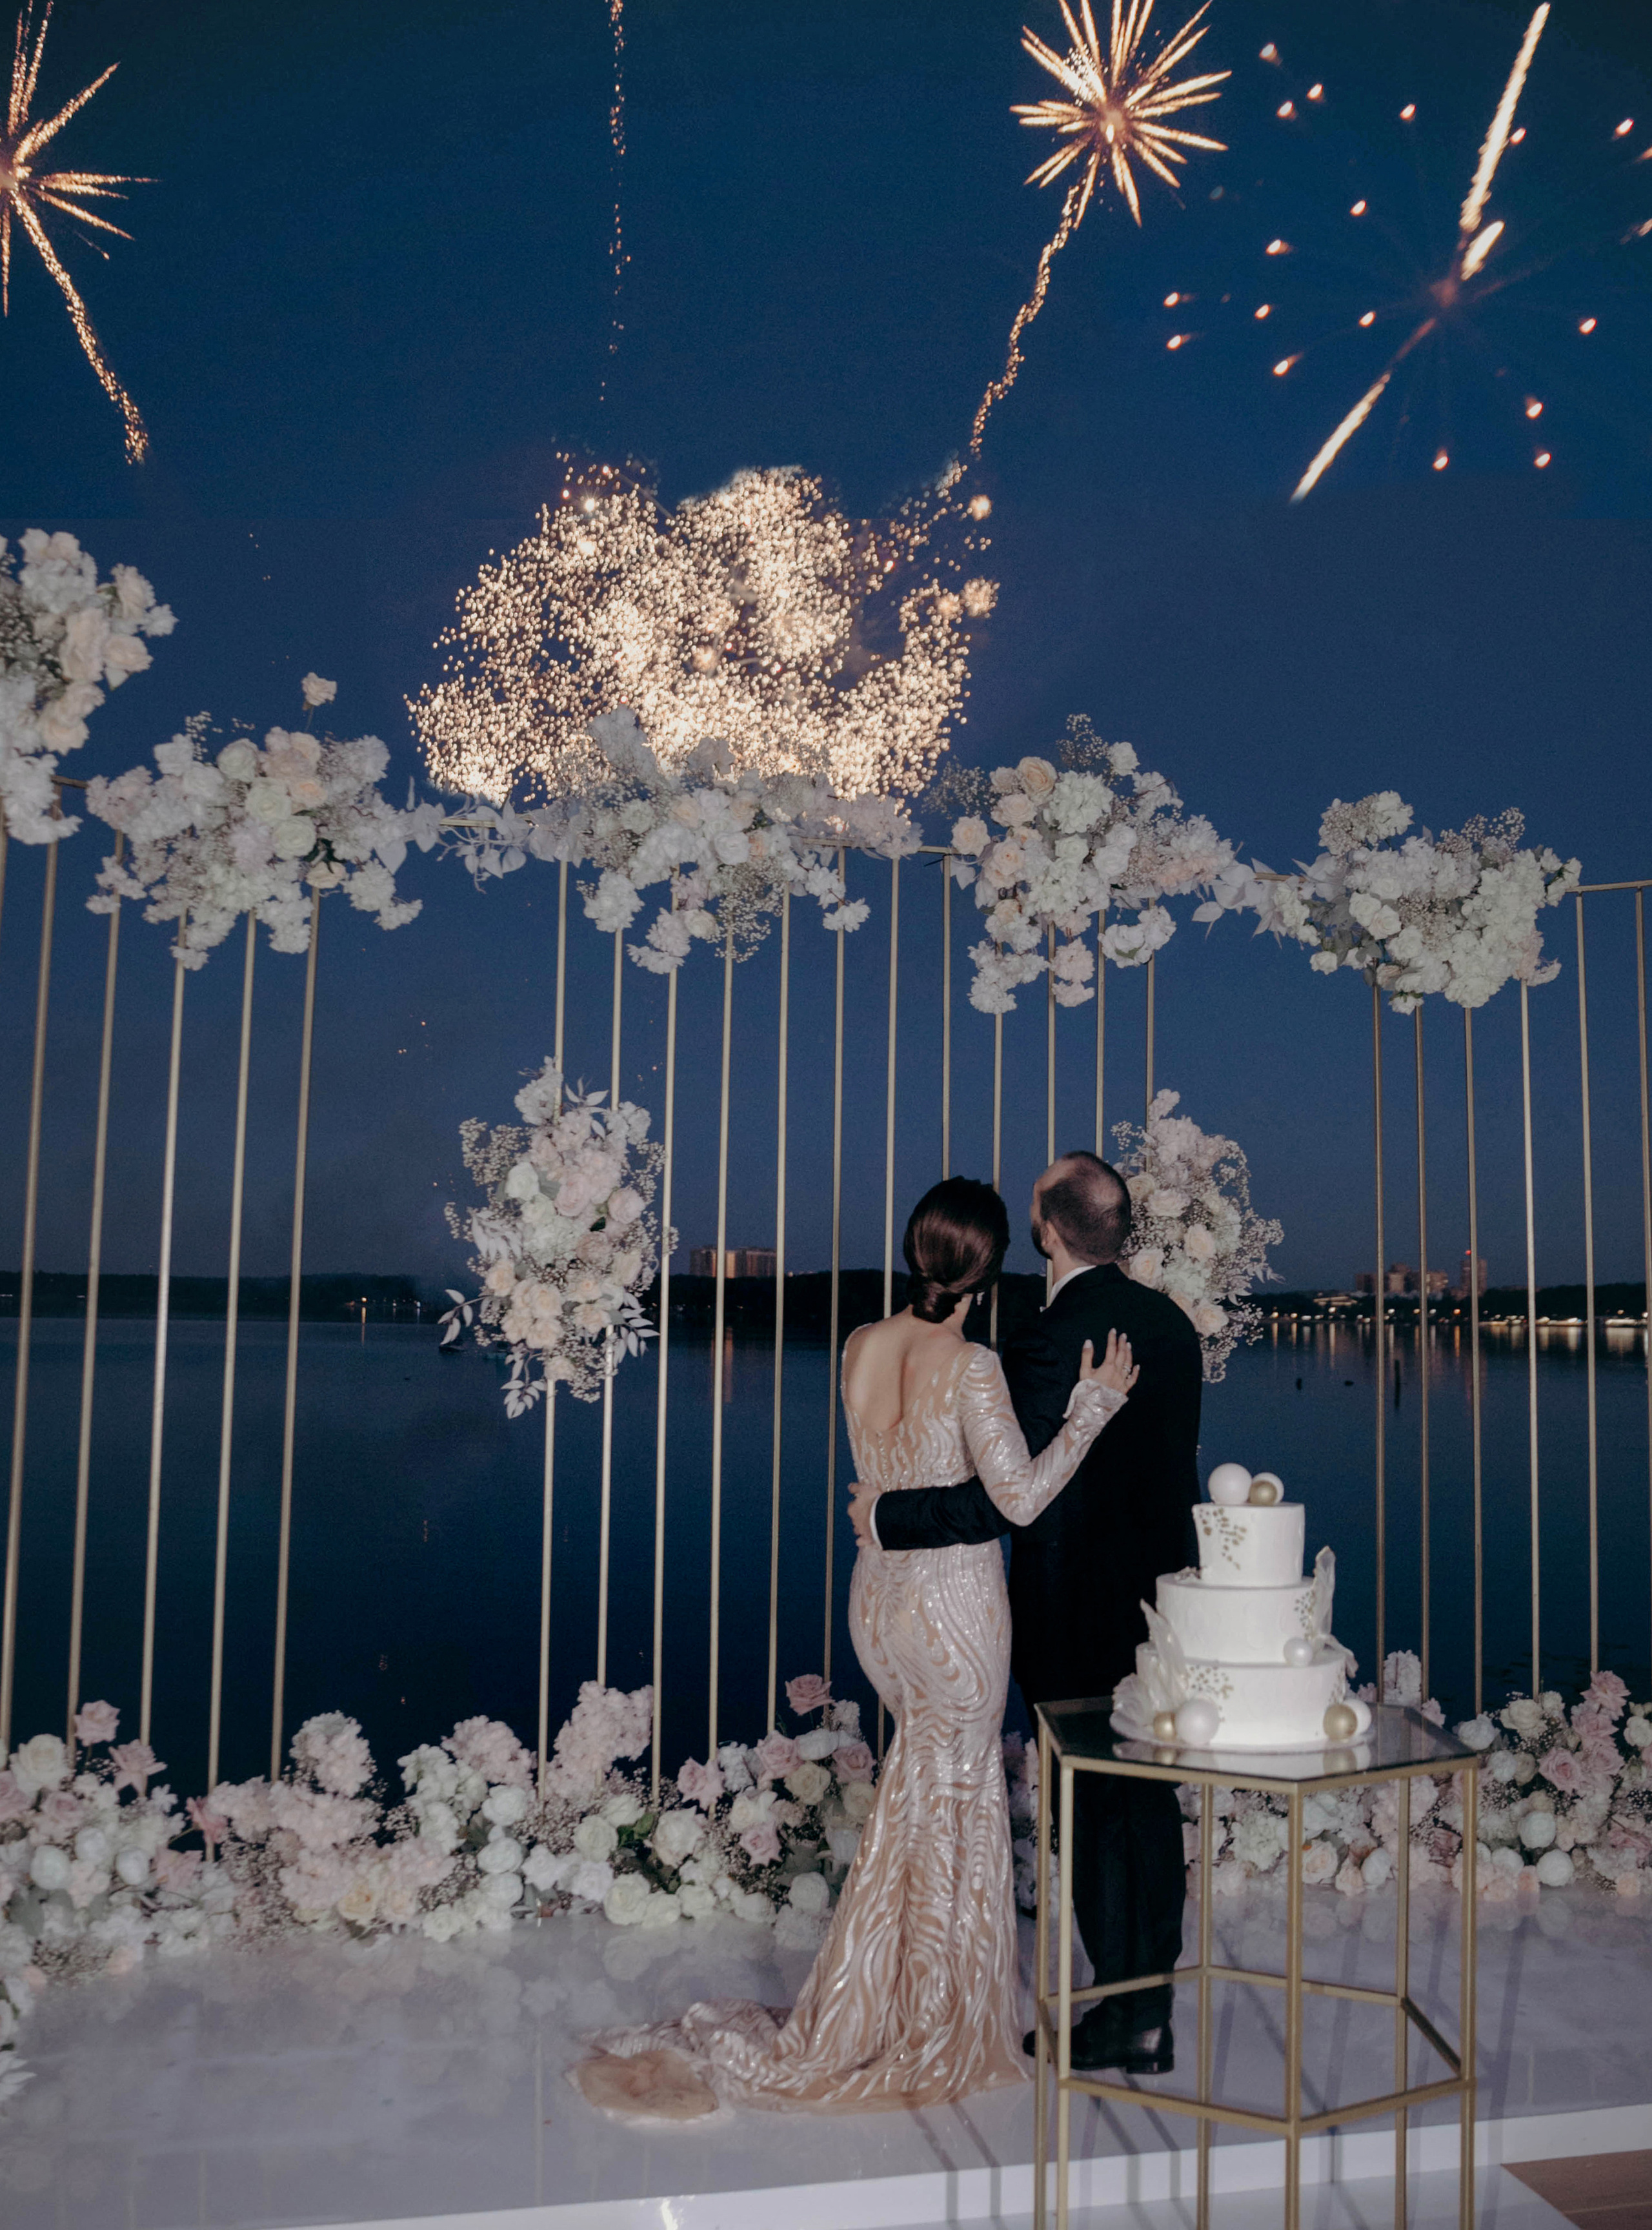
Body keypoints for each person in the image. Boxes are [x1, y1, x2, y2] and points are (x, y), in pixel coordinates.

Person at [571, 1175, 1136, 2116]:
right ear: (993, 1267)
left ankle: (900, 1992)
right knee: (954, 1800)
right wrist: (1091, 1407)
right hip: (953, 1609)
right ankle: (934, 2014)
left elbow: (887, 1476)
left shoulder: (860, 1346)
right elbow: (1020, 1500)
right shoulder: (973, 1366)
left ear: (918, 1251)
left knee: (924, 1792)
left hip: (877, 1604)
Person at [851, 1151, 1201, 2076]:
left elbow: (1003, 1501)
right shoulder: (1171, 1324)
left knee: (1093, 1811)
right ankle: (1149, 2011)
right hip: (1165, 1605)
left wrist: (888, 1512)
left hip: (1072, 1607)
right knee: (1149, 1804)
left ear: (1046, 1232)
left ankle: (1122, 2019)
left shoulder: (1049, 1340)